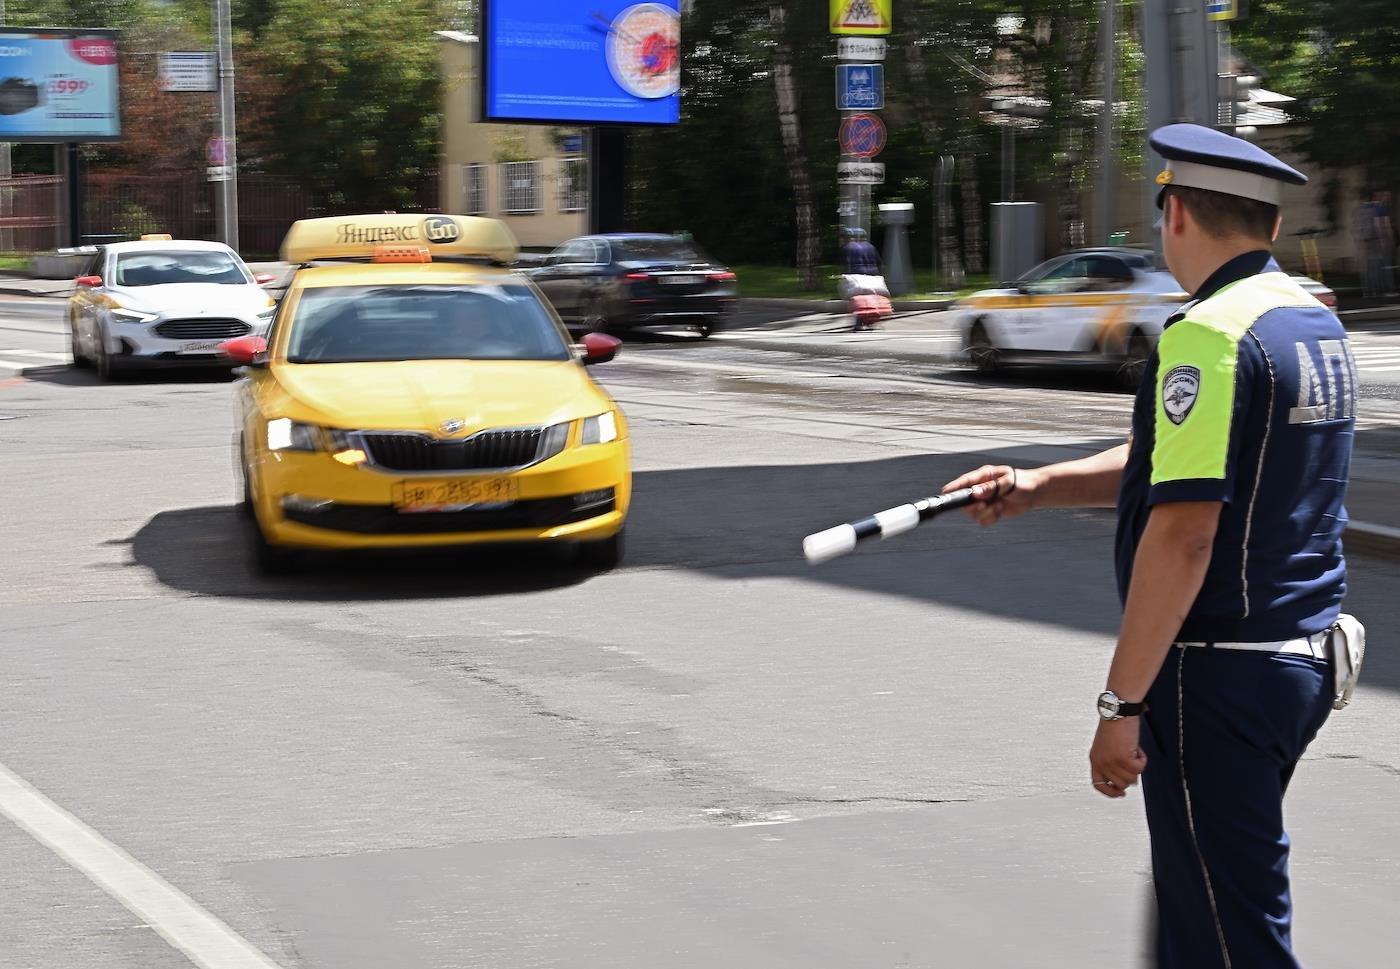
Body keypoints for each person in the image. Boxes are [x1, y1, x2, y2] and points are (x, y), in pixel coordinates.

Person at [943, 123, 1358, 968]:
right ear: (1271, 224)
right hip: (1301, 656)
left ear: (1173, 213)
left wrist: (1118, 707)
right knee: (1196, 901)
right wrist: (1039, 486)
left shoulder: (1207, 336)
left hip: (1218, 672)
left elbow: (1185, 531)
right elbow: (1181, 465)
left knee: (1225, 933)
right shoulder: (1307, 321)